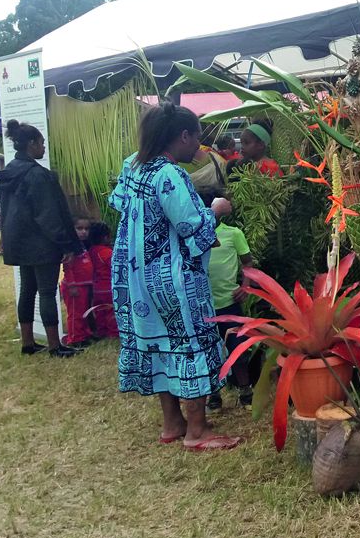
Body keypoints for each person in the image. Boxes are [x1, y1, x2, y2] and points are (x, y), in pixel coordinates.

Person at [109, 101, 241, 451]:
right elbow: (192, 228)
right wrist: (216, 210)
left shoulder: (132, 166)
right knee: (187, 341)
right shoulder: (169, 175)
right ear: (183, 136)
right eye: (197, 138)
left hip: (134, 276)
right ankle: (197, 431)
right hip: (172, 278)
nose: (199, 146)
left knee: (157, 342)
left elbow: (121, 206)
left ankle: (173, 423)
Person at [0, 120, 83, 358]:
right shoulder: (37, 176)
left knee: (27, 290)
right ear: (32, 144)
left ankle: (28, 342)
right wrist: (65, 243)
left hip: (19, 241)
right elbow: (49, 215)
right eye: (42, 142)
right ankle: (55, 345)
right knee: (46, 291)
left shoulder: (10, 172)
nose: (44, 147)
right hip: (41, 243)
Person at [202, 194, 253, 410]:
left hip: (229, 303)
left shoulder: (233, 234)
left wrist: (245, 285)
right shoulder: (194, 237)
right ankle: (214, 394)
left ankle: (246, 391)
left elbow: (248, 263)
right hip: (203, 306)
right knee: (208, 352)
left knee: (237, 349)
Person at [61, 217, 96, 348]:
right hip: (75, 287)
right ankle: (74, 339)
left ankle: (84, 335)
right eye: (79, 228)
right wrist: (72, 285)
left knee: (84, 312)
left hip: (85, 285)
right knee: (75, 313)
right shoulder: (71, 248)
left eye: (86, 229)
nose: (83, 232)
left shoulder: (84, 246)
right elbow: (67, 268)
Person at [85, 221, 119, 339]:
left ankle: (101, 331)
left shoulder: (90, 251)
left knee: (99, 311)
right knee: (110, 311)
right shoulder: (107, 252)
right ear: (105, 237)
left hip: (96, 288)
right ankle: (113, 333)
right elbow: (114, 267)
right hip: (108, 288)